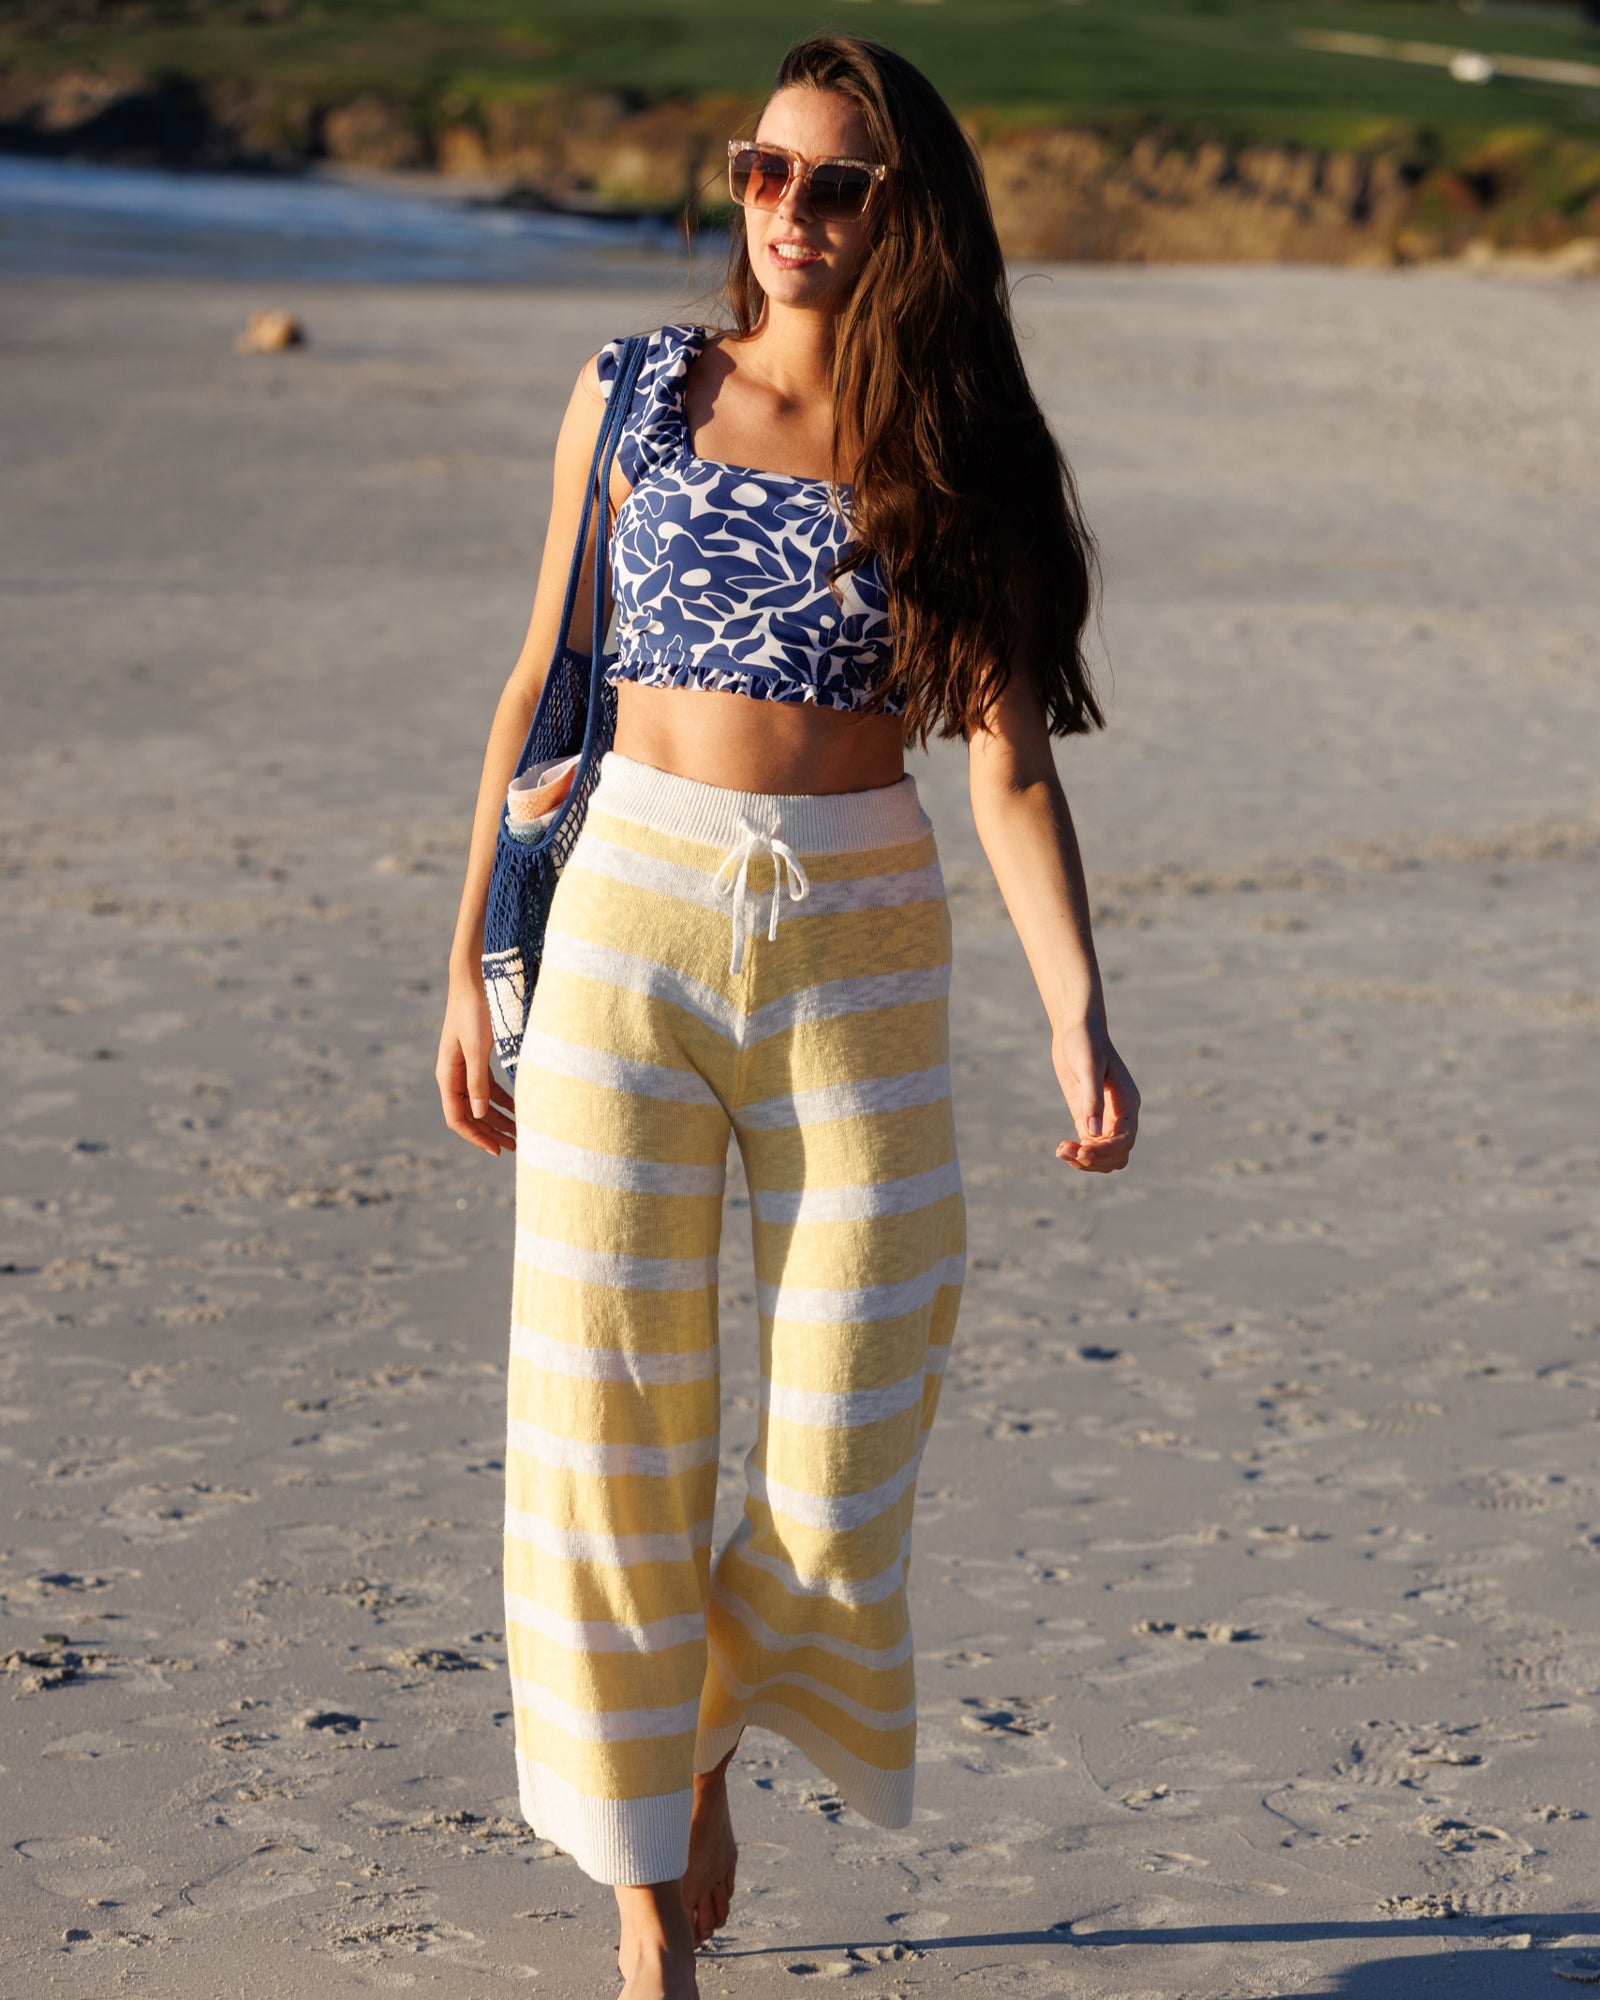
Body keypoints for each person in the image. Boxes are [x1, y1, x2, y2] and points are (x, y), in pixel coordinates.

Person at [436, 31, 1139, 2000]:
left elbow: (1008, 764)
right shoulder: (633, 392)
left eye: (835, 185)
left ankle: (698, 1735)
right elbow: (544, 682)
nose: (788, 214)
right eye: (763, 171)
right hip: (628, 918)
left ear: (905, 215)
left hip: (858, 938)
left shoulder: (953, 449)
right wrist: (474, 958)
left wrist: (1075, 1012)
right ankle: (644, 1905)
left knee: (844, 1429)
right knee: (609, 1413)